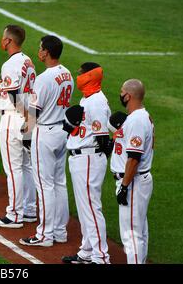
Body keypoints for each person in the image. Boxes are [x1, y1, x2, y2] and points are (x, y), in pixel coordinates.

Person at [19, 35, 72, 246]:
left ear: (47, 53)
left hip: (46, 133)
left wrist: (26, 135)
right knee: (60, 183)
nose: (38, 51)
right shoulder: (67, 74)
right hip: (62, 132)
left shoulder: (43, 79)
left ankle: (44, 235)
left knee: (44, 185)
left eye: (41, 49)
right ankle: (60, 231)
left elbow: (33, 113)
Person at [62, 62, 111, 264]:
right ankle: (87, 251)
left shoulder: (97, 101)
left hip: (90, 158)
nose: (78, 75)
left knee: (91, 208)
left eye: (81, 73)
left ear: (90, 76)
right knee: (84, 208)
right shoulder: (87, 98)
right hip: (80, 157)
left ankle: (101, 257)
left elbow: (103, 139)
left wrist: (98, 158)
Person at [0, 24, 37, 228]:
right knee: (26, 166)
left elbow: (13, 94)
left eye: (3, 37)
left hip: (13, 117)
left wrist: (26, 116)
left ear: (8, 41)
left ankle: (14, 215)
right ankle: (30, 210)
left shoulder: (11, 64)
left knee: (13, 168)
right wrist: (31, 119)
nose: (1, 40)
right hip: (26, 118)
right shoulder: (28, 61)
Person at [110, 79, 155, 264]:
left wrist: (124, 186)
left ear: (128, 95)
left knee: (131, 235)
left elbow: (134, 158)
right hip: (138, 180)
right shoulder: (141, 116)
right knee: (140, 231)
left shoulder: (136, 120)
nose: (120, 94)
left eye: (122, 91)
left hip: (133, 181)